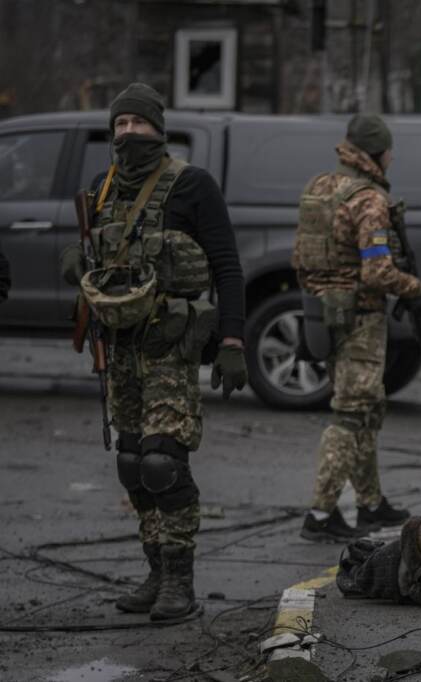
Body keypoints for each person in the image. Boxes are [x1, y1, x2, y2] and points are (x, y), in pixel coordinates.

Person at [59, 83, 247, 620]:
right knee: (134, 463)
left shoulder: (193, 186)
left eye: (136, 125)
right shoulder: (102, 188)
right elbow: (96, 257)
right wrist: (76, 256)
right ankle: (154, 572)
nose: (127, 134)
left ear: (157, 129)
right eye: (119, 125)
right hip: (119, 347)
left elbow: (228, 266)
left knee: (165, 460)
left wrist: (233, 340)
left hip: (169, 343)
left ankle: (179, 583)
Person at [293, 114, 421, 543]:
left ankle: (371, 504)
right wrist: (414, 287)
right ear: (379, 154)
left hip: (322, 315)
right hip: (361, 321)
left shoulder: (317, 187)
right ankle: (320, 512)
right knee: (350, 414)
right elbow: (377, 273)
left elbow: (303, 256)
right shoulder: (369, 199)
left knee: (368, 408)